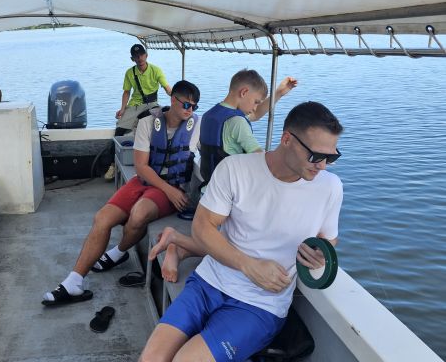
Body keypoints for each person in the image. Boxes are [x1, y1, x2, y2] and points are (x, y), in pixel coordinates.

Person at [94, 101, 343, 362]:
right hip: (211, 283)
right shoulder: (237, 169)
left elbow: (328, 241)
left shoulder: (329, 187)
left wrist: (318, 255)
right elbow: (203, 229)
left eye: (332, 157)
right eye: (316, 155)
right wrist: (248, 265)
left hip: (260, 306)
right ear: (287, 140)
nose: (323, 165)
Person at [42, 80, 201, 306]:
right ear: (173, 99)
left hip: (173, 187)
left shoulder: (197, 126)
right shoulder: (148, 123)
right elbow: (141, 167)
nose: (190, 110)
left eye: (194, 106)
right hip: (147, 182)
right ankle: (73, 282)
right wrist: (167, 190)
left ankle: (118, 251)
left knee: (139, 214)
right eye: (186, 104)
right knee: (102, 219)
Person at [150, 70, 298, 276]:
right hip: (229, 200)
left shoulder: (210, 115)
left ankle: (178, 248)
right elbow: (262, 160)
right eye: (255, 101)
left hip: (208, 192)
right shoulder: (237, 123)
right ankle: (176, 240)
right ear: (244, 92)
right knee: (238, 251)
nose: (255, 107)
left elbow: (253, 115)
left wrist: (279, 92)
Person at [103, 44, 172, 181]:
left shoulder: (156, 70)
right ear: (132, 59)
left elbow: (167, 88)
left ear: (146, 55)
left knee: (158, 126)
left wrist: (177, 99)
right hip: (134, 105)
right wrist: (123, 109)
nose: (139, 58)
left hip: (152, 104)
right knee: (119, 130)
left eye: (141, 55)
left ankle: (157, 163)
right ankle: (113, 165)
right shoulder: (130, 73)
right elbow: (126, 92)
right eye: (136, 56)